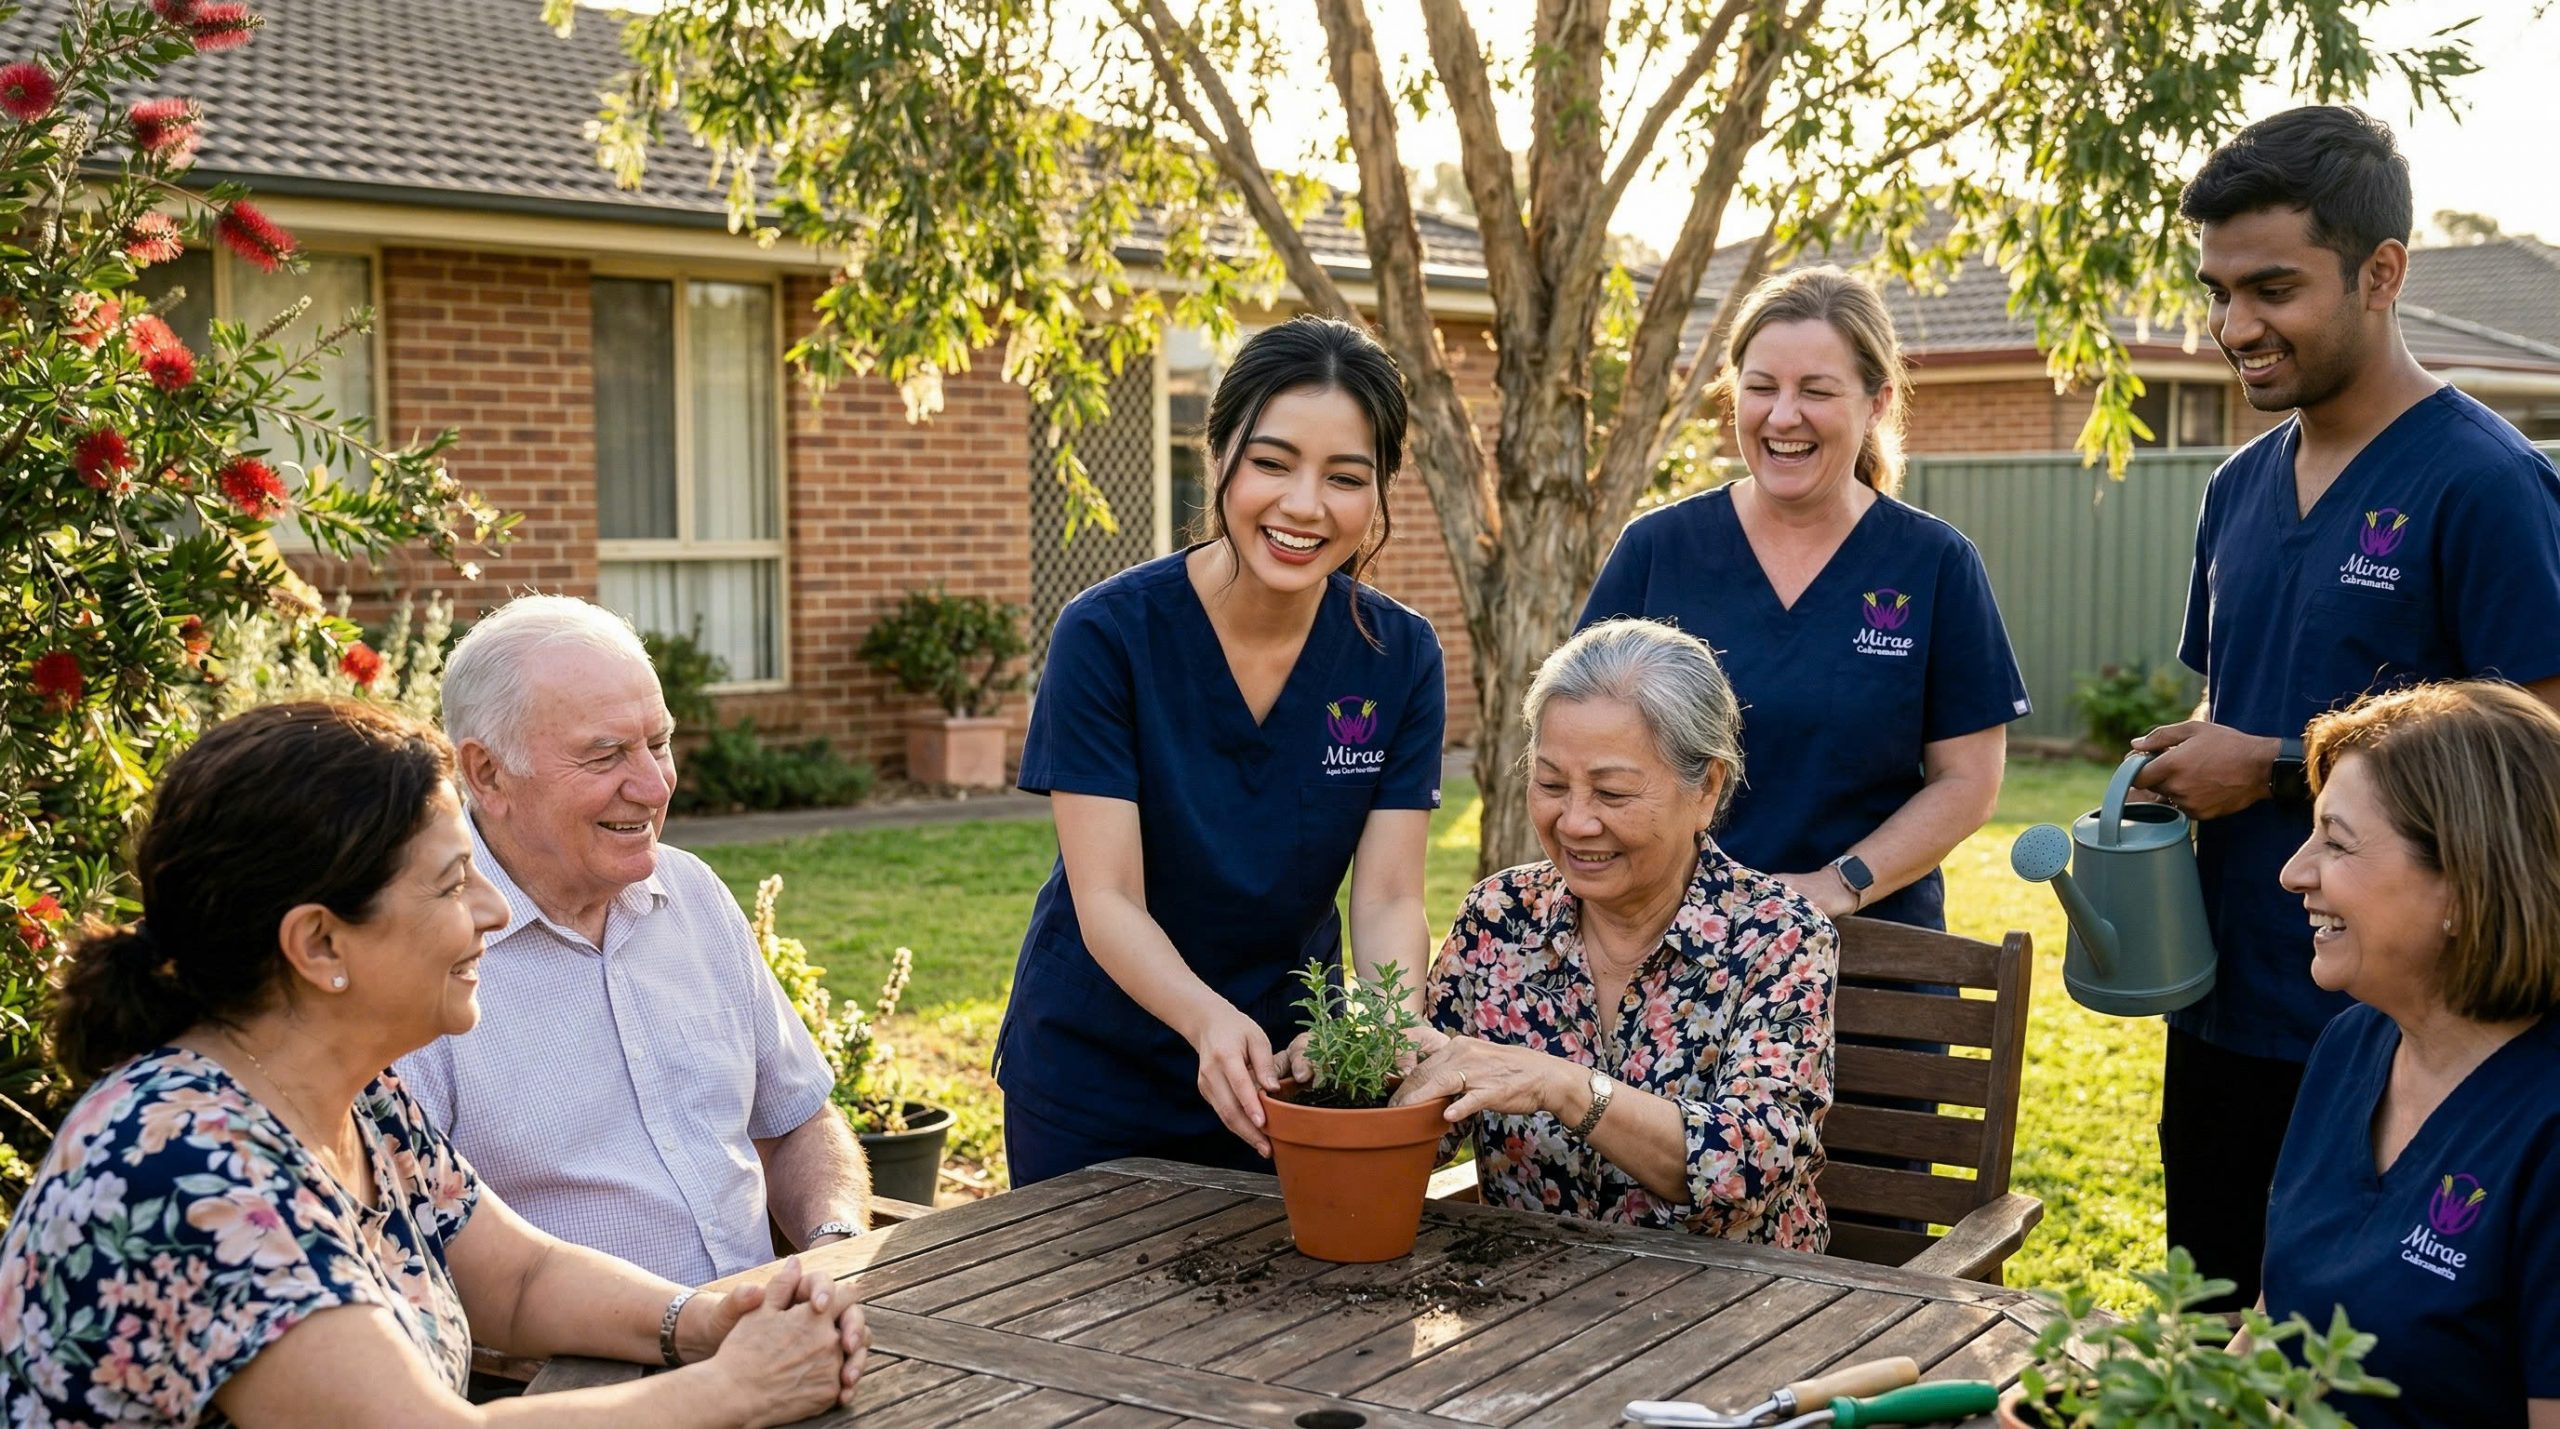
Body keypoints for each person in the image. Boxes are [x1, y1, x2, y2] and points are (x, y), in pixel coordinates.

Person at [0, 702, 869, 1426]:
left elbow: (518, 1277)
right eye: (455, 883)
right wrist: (734, 1388)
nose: (493, 909)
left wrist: (701, 1320)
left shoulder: (352, 1096)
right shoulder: (184, 1165)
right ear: (319, 942)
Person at [2130, 104, 2560, 1309]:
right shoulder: (2234, 487)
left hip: (2413, 1025)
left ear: (2381, 273)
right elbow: (2236, 701)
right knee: (2210, 1330)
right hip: (2220, 1000)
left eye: (2271, 287)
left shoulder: (2486, 484)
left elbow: (2538, 761)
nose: (2233, 327)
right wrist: (2177, 775)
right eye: (2216, 291)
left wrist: (2264, 765)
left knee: (2369, 1366)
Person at [996, 315, 1446, 1184]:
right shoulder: (1107, 634)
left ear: (1379, 492)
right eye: (1272, 463)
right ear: (1217, 457)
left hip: (1279, 1084)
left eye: (1345, 477)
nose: (1304, 505)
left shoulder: (1401, 655)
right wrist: (1207, 1020)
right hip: (1096, 1077)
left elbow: (1389, 895)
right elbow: (1109, 896)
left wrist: (1384, 1031)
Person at [394, 596, 871, 1286]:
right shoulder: (421, 951)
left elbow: (797, 1119)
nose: (653, 785)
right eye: (606, 753)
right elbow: (416, 1250)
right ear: (488, 773)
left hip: (766, 1332)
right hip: (569, 1376)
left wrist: (834, 1245)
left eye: (658, 742)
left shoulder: (692, 892)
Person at [1578, 266, 2026, 931]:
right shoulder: (1657, 551)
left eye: (1816, 390)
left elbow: (1968, 781)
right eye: (1761, 388)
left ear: (1876, 402)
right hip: (1668, 949)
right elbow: (1580, 747)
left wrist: (1837, 884)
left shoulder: (1933, 564)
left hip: (1870, 957)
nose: (1783, 415)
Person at [1390, 620, 1835, 1249]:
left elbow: (1746, 1169)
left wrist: (1566, 1087)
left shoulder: (1777, 936)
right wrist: (1350, 1068)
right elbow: (1427, 1121)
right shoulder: (1500, 914)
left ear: (1705, 788)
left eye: (1612, 791)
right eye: (1549, 784)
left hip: (1735, 1311)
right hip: (1523, 1299)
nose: (1573, 821)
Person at [2257, 681, 2560, 1429]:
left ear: (2463, 881)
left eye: (2336, 840)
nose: (2294, 871)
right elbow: (2269, 1334)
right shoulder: (2353, 1045)